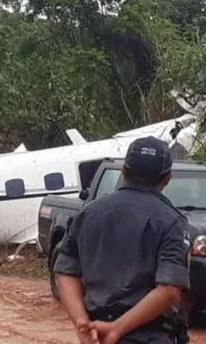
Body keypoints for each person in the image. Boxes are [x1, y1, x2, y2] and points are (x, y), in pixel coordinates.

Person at [54, 136, 191, 344]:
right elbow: (170, 289)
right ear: (167, 178)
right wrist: (116, 329)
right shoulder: (171, 221)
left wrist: (82, 322)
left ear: (124, 171)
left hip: (96, 335)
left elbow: (65, 272)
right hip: (149, 336)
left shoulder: (88, 213)